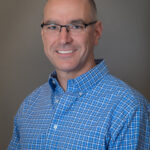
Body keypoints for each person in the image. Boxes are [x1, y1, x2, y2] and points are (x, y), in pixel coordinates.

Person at [8, 0, 150, 149]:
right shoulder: (29, 106)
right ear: (43, 33)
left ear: (97, 32)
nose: (63, 39)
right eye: (53, 27)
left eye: (76, 26)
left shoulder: (128, 109)